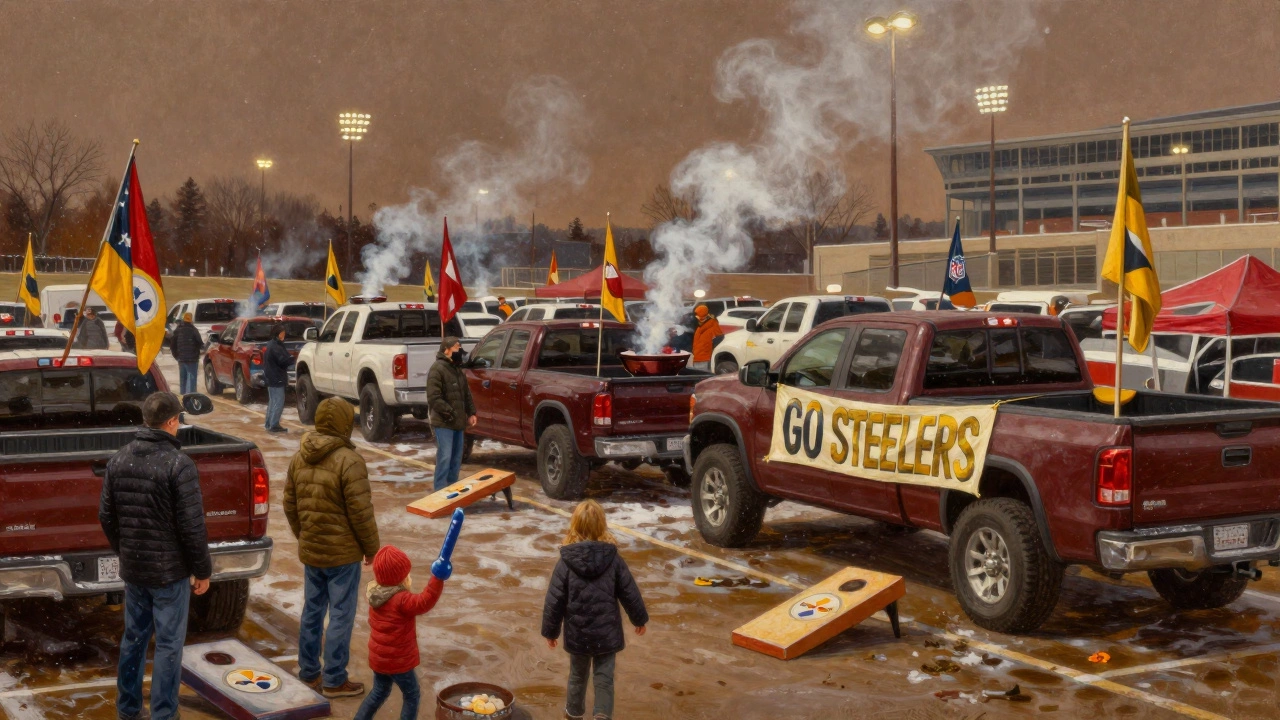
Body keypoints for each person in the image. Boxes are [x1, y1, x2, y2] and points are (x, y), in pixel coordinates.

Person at [99, 392, 212, 720]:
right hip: (169, 574)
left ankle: (128, 709)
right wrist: (202, 570)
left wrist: (126, 550)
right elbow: (192, 526)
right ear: (172, 421)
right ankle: (164, 713)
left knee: (133, 640)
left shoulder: (119, 459)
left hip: (135, 572)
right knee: (168, 645)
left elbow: (106, 515)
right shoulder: (179, 464)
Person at [284, 397, 380, 698]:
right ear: (344, 424)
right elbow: (361, 512)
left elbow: (289, 504)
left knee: (312, 611)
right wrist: (372, 549)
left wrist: (305, 535)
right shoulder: (350, 461)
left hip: (313, 551)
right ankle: (335, 679)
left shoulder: (299, 457)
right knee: (340, 614)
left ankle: (308, 673)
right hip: (343, 555)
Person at [542, 500, 648, 720]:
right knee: (604, 678)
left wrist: (551, 632)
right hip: (606, 633)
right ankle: (602, 715)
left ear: (575, 525)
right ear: (602, 525)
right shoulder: (613, 559)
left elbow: (555, 599)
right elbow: (629, 591)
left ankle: (573, 714)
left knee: (577, 676)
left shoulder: (566, 562)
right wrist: (639, 619)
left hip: (578, 632)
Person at [352, 545, 448, 720]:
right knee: (412, 694)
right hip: (398, 661)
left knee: (379, 692)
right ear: (401, 577)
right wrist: (437, 578)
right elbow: (424, 601)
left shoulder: (375, 595)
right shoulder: (401, 600)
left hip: (379, 658)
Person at [427, 336, 476, 491]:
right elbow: (434, 397)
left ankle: (451, 488)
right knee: (445, 457)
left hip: (458, 423)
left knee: (456, 458)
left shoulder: (457, 369)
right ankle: (440, 490)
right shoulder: (437, 369)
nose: (459, 350)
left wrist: (471, 412)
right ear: (446, 350)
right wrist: (450, 412)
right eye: (456, 347)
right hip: (444, 423)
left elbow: (466, 394)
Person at [263, 323, 296, 433]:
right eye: (282, 333)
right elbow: (283, 360)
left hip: (271, 377)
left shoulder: (271, 344)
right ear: (278, 333)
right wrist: (292, 358)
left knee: (273, 401)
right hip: (277, 377)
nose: (284, 335)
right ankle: (274, 424)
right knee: (278, 401)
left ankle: (269, 423)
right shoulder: (276, 347)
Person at [170, 312, 204, 395]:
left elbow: (172, 345)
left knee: (183, 381)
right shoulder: (193, 330)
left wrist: (177, 356)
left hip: (181, 359)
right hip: (192, 360)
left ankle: (183, 397)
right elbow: (200, 343)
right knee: (192, 381)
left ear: (183, 319)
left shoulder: (178, 330)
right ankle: (191, 398)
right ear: (191, 320)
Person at [690, 304, 723, 371]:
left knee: (702, 375)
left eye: (697, 315)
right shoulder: (701, 326)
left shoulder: (711, 325)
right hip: (698, 357)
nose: (696, 317)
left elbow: (719, 338)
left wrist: (710, 348)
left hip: (704, 358)